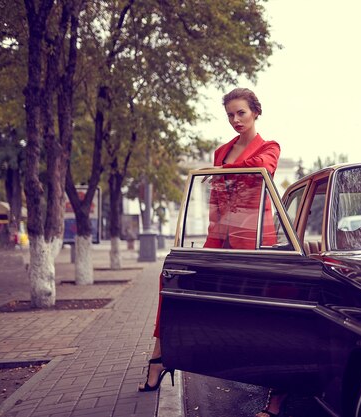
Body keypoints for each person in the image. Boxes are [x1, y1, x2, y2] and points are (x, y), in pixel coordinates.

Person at [139, 88, 283, 417]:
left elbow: (260, 171)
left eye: (241, 113)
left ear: (255, 112)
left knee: (266, 314)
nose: (235, 120)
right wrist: (211, 235)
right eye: (230, 114)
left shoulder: (270, 148)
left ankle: (276, 393)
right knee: (172, 277)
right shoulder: (222, 152)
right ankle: (159, 357)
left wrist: (220, 175)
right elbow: (215, 202)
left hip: (255, 242)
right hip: (220, 238)